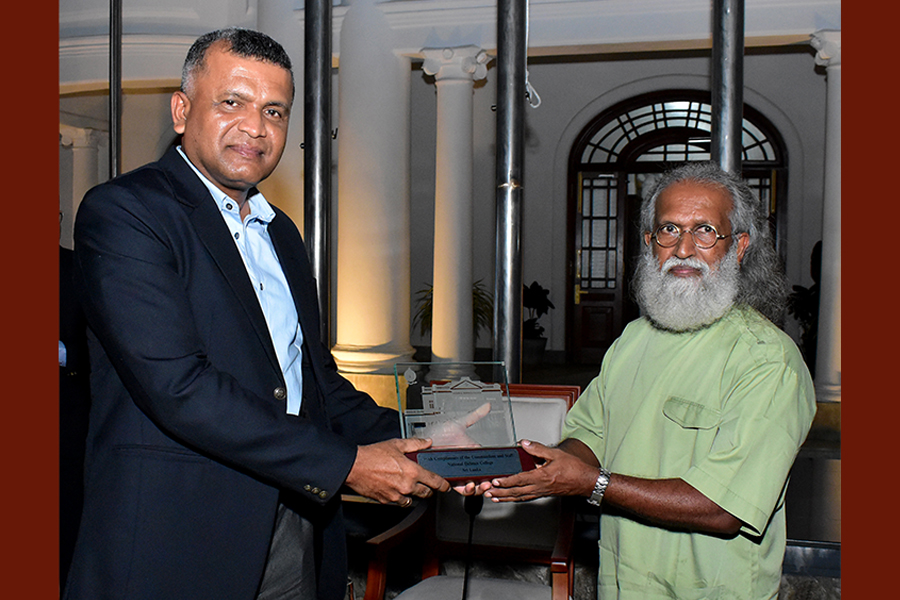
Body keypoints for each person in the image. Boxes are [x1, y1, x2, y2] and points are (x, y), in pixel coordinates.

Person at [66, 28, 449, 600]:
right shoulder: (126, 212)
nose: (256, 127)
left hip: (292, 519)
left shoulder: (281, 233)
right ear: (181, 110)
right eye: (232, 102)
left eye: (275, 110)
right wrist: (346, 465)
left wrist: (427, 437)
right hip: (176, 535)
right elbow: (179, 387)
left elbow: (316, 384)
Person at [480, 162, 817, 599]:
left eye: (705, 232)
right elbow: (588, 436)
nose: (683, 249)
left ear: (738, 248)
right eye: (669, 231)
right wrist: (535, 467)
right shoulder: (634, 338)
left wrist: (590, 483)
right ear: (649, 244)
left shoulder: (768, 362)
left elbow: (722, 509)